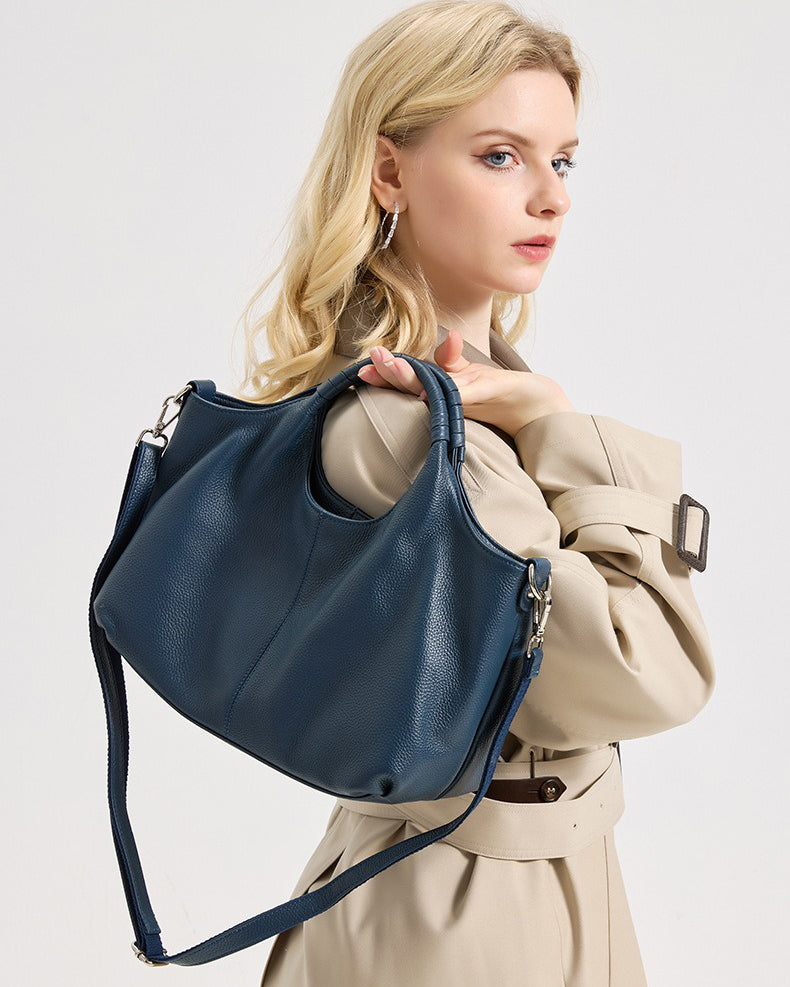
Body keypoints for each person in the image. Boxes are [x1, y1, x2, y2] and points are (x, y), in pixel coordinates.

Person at [233, 3, 716, 984]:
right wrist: (559, 428)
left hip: (502, 890)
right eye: (501, 156)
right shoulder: (406, 423)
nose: (551, 199)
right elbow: (643, 669)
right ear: (389, 172)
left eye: (562, 160)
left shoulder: (461, 399)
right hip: (464, 918)